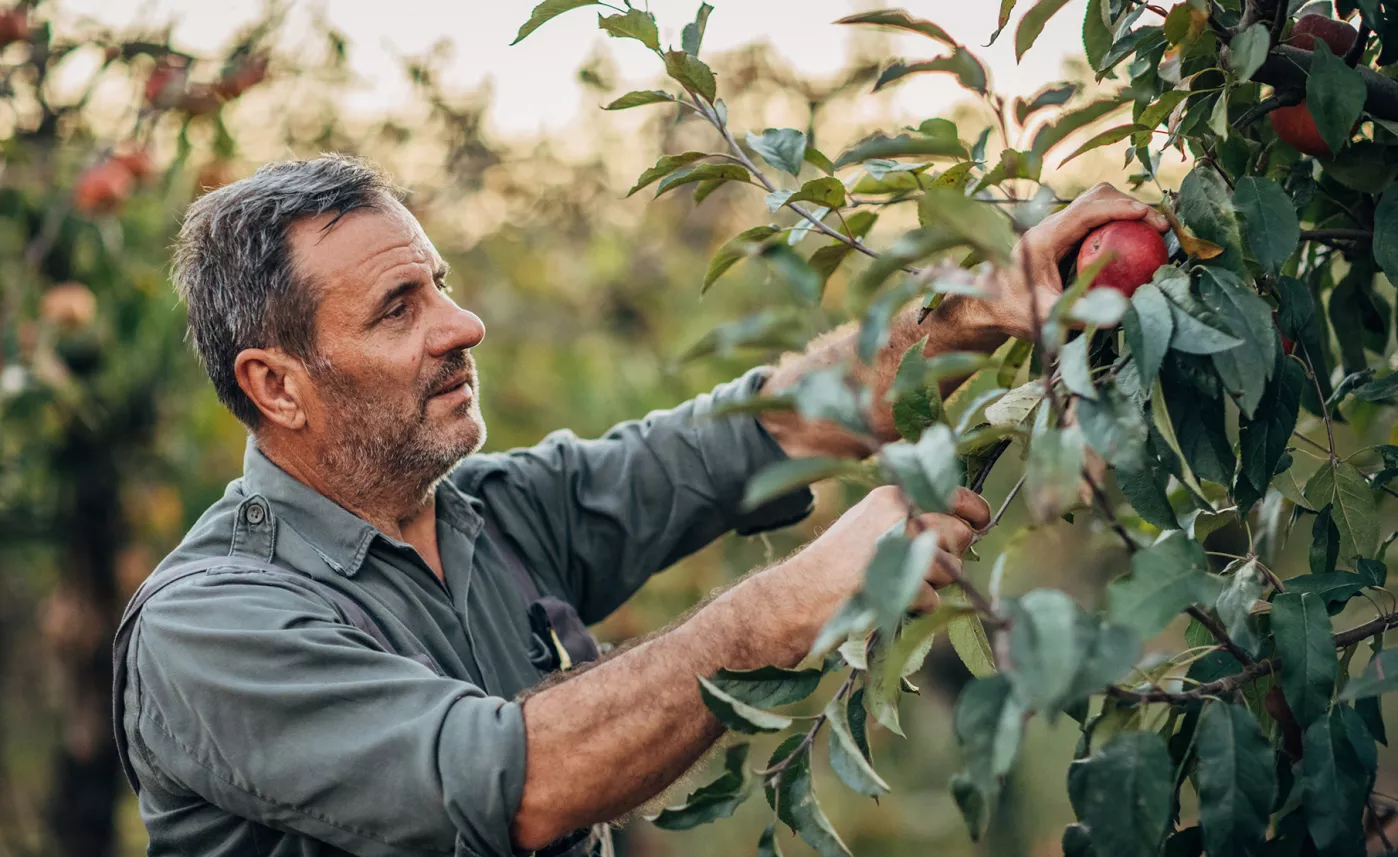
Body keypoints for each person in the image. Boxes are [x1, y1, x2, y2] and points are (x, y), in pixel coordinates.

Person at [113, 154, 1168, 857]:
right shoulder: (210, 626)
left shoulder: (488, 512)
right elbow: (514, 784)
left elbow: (765, 427)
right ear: (277, 385)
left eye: (440, 282)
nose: (464, 324)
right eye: (400, 308)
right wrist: (780, 607)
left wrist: (979, 309)